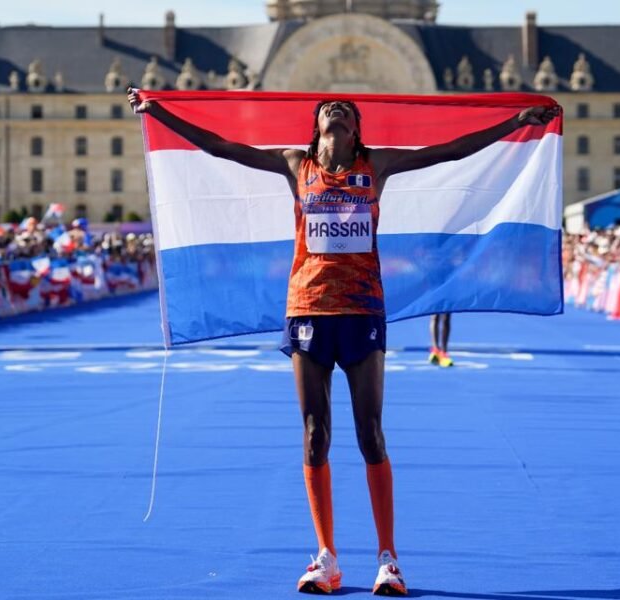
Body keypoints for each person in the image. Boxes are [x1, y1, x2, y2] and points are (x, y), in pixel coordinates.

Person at [129, 89, 558, 595]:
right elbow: (223, 147)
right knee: (315, 433)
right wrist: (161, 112)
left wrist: (515, 122)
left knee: (370, 432)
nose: (336, 109)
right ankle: (327, 557)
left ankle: (388, 558)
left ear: (356, 129)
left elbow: (450, 150)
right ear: (317, 128)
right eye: (328, 109)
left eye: (346, 111)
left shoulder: (376, 166)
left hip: (362, 310)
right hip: (307, 308)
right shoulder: (296, 164)